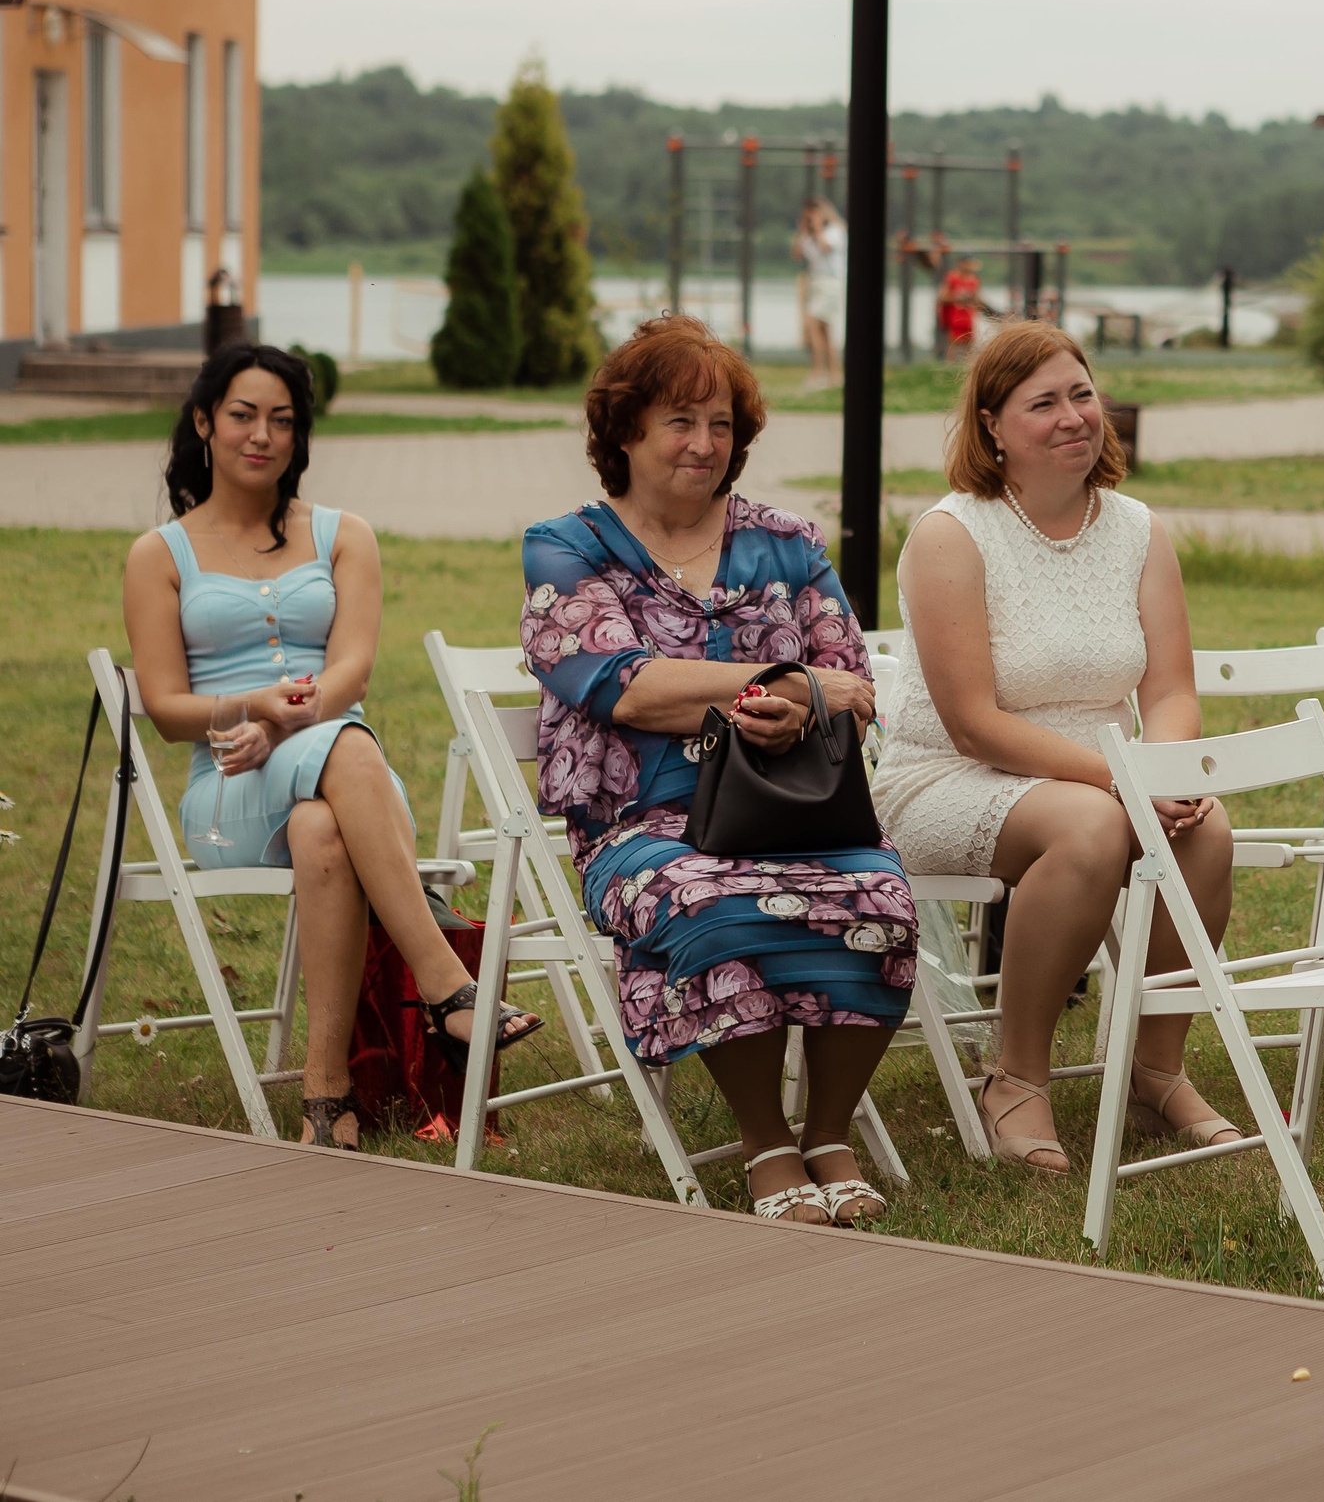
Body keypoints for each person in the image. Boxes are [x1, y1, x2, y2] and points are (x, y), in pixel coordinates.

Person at [521, 314, 916, 1226]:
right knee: (711, 901)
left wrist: (807, 701)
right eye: (680, 421)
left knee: (883, 898)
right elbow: (621, 684)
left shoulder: (785, 543)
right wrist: (776, 685)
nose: (705, 444)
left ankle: (828, 1130)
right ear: (624, 430)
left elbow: (853, 682)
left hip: (796, 812)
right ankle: (765, 1139)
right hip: (642, 827)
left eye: (722, 425)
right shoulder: (567, 548)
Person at [124, 345, 542, 1150]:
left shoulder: (344, 535)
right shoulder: (160, 553)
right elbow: (169, 710)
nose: (262, 435)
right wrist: (253, 707)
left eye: (282, 419)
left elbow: (350, 672)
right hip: (229, 784)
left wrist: (286, 722)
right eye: (243, 415)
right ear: (205, 422)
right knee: (348, 750)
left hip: (337, 778)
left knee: (326, 811)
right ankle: (449, 985)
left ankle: (327, 1097)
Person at [874, 320, 1238, 1174]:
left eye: (1082, 393)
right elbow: (972, 721)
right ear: (993, 425)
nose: (1075, 415)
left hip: (1106, 779)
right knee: (1091, 828)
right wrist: (1124, 782)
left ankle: (1156, 1068)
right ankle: (1016, 1076)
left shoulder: (1138, 528)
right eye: (1045, 402)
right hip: (951, 776)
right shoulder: (951, 534)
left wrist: (1162, 775)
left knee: (1209, 829)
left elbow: (1171, 690)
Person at [794, 197, 848, 392]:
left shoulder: (836, 230)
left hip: (831, 281)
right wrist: (803, 230)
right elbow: (797, 254)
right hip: (816, 281)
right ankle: (835, 374)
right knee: (825, 331)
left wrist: (817, 230)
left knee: (812, 325)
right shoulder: (808, 235)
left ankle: (818, 372)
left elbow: (826, 248)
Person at [937, 253, 985, 362]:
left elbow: (977, 299)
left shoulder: (974, 280)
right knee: (953, 346)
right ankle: (948, 370)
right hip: (954, 318)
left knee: (970, 347)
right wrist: (958, 299)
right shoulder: (952, 278)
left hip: (968, 318)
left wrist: (975, 301)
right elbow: (942, 297)